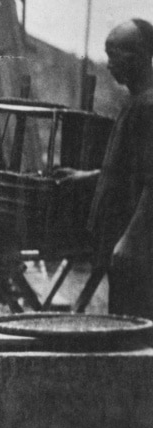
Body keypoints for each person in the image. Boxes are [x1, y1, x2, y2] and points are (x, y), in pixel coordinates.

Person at [57, 19, 153, 318]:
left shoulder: (148, 107)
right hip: (123, 242)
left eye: (114, 55)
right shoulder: (135, 102)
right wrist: (86, 176)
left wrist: (130, 241)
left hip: (136, 247)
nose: (109, 64)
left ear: (139, 55)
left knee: (135, 328)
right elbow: (129, 173)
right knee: (124, 322)